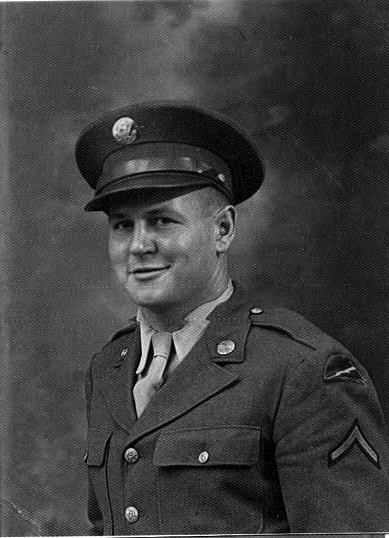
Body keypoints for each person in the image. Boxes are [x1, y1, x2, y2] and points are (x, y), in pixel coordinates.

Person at [76, 102, 389, 535]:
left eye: (161, 221)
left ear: (222, 230)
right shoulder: (109, 367)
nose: (139, 246)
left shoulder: (301, 368)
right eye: (122, 226)